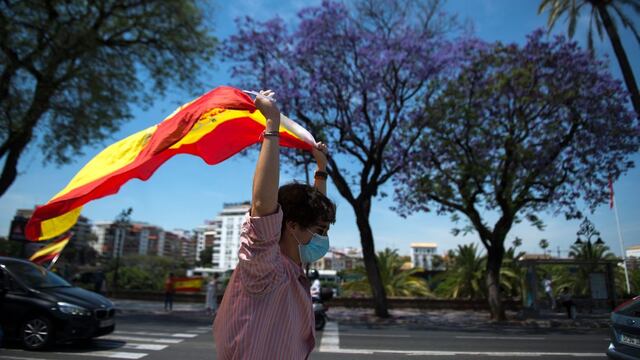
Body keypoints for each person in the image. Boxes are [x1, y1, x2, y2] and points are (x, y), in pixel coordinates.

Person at [213, 89, 336, 359]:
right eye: (319, 231)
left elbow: (313, 212)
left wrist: (321, 169)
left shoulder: (293, 266)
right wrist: (272, 124)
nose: (324, 239)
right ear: (291, 226)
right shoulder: (266, 267)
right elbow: (261, 206)